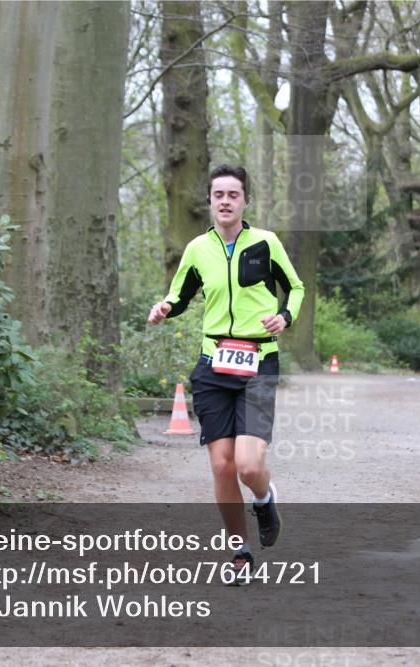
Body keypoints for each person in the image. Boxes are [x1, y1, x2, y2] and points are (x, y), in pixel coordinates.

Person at [148, 164, 304, 584]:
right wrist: (164, 307)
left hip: (258, 363)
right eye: (218, 194)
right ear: (210, 201)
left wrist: (285, 316)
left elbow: (297, 287)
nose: (225, 201)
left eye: (233, 194)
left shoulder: (266, 244)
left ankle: (265, 498)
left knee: (248, 466)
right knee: (221, 466)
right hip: (213, 365)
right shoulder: (198, 248)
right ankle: (239, 548)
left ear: (245, 201)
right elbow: (179, 295)